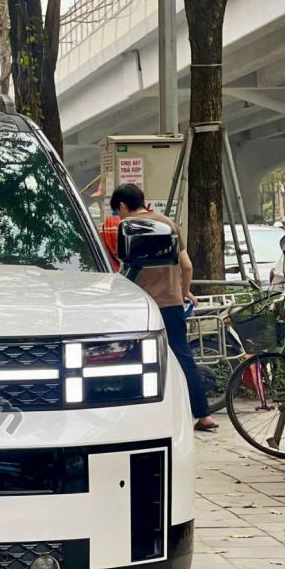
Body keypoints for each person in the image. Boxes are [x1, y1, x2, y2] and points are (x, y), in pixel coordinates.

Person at [110, 183, 217, 432]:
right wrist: (183, 292)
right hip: (171, 304)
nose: (119, 216)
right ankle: (203, 415)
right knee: (182, 357)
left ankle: (132, 414)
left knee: (133, 356)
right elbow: (187, 265)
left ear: (123, 206)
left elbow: (125, 269)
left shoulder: (128, 228)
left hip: (141, 306)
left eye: (118, 211)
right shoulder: (168, 224)